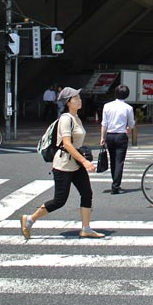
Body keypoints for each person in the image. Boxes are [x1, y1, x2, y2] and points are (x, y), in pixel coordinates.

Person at [21, 87, 103, 240]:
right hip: (63, 165)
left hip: (75, 164)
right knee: (59, 201)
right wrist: (84, 161)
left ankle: (86, 228)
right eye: (76, 98)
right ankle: (30, 220)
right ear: (68, 102)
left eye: (79, 97)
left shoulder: (76, 117)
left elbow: (75, 143)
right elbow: (67, 144)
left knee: (87, 193)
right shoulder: (66, 119)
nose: (79, 100)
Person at [100, 84, 135, 194]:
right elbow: (131, 123)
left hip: (110, 135)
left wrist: (102, 137)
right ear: (127, 95)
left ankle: (114, 182)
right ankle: (115, 186)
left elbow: (104, 123)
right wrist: (129, 127)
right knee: (119, 161)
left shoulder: (107, 106)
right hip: (121, 136)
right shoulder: (128, 108)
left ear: (115, 93)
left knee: (113, 160)